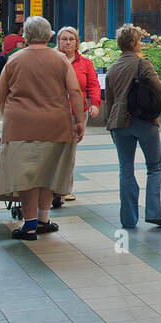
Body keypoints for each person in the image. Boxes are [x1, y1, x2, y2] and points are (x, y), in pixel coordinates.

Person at [0, 17, 85, 241]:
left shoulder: (13, 60)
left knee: (27, 175)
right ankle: (44, 219)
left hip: (20, 125)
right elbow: (74, 91)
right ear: (49, 35)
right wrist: (79, 120)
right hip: (56, 124)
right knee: (48, 171)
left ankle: (31, 224)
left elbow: (1, 94)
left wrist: (10, 115)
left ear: (25, 35)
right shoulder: (61, 60)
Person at [105, 24, 161, 229]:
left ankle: (129, 218)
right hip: (144, 121)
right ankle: (153, 212)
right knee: (154, 167)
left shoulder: (112, 68)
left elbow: (109, 101)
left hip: (119, 123)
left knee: (126, 169)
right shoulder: (143, 64)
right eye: (140, 40)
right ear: (134, 43)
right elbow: (160, 88)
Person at [53, 26, 100, 208]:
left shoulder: (85, 63)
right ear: (58, 42)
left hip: (77, 113)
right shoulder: (53, 60)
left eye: (71, 39)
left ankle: (64, 188)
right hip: (55, 113)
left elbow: (93, 85)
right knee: (55, 150)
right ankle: (53, 186)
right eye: (64, 39)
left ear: (76, 42)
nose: (67, 42)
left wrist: (95, 104)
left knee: (70, 152)